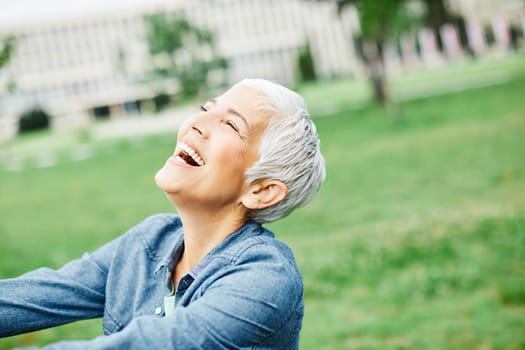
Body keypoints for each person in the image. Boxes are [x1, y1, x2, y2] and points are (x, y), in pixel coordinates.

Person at [0, 78, 326, 349]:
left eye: (229, 124)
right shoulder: (149, 242)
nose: (195, 123)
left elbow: (155, 343)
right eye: (205, 109)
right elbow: (38, 296)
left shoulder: (266, 278)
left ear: (261, 190)